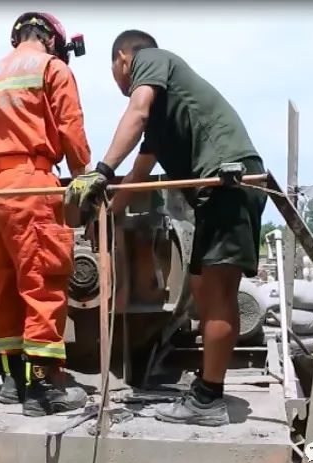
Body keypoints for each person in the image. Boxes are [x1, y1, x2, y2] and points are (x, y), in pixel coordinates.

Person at [64, 30, 267, 426]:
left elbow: (136, 112)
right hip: (218, 188)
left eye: (115, 70)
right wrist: (106, 214)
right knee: (204, 288)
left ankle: (209, 400)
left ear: (123, 58)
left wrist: (101, 172)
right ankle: (209, 391)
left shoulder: (152, 60)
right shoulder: (163, 114)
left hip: (227, 183)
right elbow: (140, 173)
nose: (120, 80)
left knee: (216, 292)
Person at [0, 12, 90, 417]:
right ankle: (45, 389)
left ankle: (13, 383)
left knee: (6, 291)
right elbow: (71, 128)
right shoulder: (51, 68)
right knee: (41, 283)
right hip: (30, 185)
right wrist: (83, 179)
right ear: (54, 40)